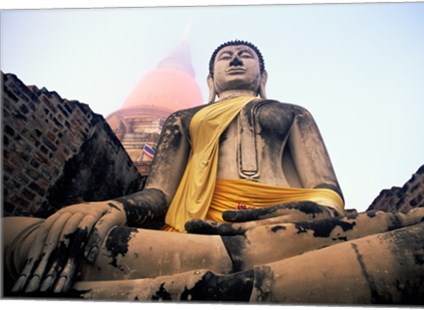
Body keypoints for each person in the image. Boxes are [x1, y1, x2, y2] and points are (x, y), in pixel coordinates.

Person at [4, 40, 345, 294]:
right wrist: (114, 207)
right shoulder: (184, 119)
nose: (237, 59)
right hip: (194, 239)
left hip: (290, 236)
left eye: (246, 55)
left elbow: (327, 191)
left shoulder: (293, 112)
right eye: (226, 56)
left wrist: (313, 214)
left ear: (263, 75)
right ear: (211, 80)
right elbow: (159, 194)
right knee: (16, 235)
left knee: (397, 238)